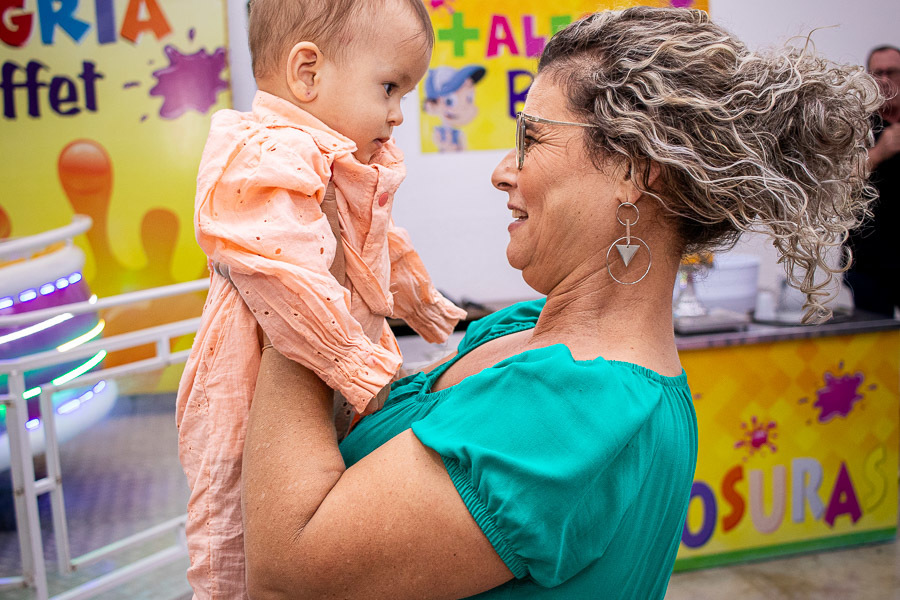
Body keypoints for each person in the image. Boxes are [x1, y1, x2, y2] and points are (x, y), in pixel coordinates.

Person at [242, 7, 879, 599]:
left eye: (534, 138)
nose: (501, 170)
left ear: (634, 171)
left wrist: (295, 272)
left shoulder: (581, 410)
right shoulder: (524, 332)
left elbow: (287, 564)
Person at [175, 0, 466, 597]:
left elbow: (378, 242)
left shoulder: (337, 157)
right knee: (236, 523)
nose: (398, 114)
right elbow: (283, 272)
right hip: (254, 375)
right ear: (307, 72)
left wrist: (421, 301)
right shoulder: (262, 153)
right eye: (389, 88)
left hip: (332, 367)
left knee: (321, 501)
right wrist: (360, 364)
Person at [844, 45, 900, 317]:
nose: (885, 80)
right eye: (878, 73)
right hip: (869, 261)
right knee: (874, 344)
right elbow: (839, 184)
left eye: (892, 72)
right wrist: (880, 152)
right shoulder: (853, 124)